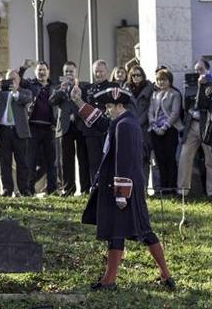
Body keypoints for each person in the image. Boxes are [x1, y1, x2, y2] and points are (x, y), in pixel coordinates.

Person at [72, 82, 174, 291]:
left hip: (123, 189)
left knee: (143, 231)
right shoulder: (120, 122)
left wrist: (121, 194)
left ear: (119, 106)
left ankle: (164, 274)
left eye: (109, 107)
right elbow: (99, 123)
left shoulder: (124, 125)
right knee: (118, 232)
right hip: (121, 188)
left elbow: (125, 161)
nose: (106, 111)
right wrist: (78, 101)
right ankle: (110, 280)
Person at [0, 69, 32, 196]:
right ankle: (7, 189)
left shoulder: (24, 92)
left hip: (19, 132)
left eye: (13, 79)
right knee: (5, 162)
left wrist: (15, 93)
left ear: (18, 80)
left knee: (22, 162)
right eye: (8, 79)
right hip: (3, 131)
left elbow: (27, 100)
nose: (11, 82)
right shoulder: (0, 93)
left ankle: (24, 189)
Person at [49, 61, 90, 196]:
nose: (69, 74)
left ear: (76, 72)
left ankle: (85, 188)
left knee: (83, 158)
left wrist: (79, 91)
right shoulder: (59, 89)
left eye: (71, 72)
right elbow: (52, 101)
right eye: (66, 72)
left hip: (80, 126)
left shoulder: (83, 86)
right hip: (65, 127)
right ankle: (69, 188)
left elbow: (87, 102)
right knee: (66, 160)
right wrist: (61, 89)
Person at [21, 61, 57, 195]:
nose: (41, 72)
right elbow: (18, 81)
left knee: (51, 162)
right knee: (30, 161)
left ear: (48, 71)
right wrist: (24, 68)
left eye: (43, 70)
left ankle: (52, 189)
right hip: (32, 128)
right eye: (39, 70)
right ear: (35, 72)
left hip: (49, 128)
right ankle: (29, 189)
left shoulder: (54, 87)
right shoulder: (30, 85)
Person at [177, 59, 212, 197]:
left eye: (201, 69)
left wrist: (203, 86)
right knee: (184, 157)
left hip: (207, 126)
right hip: (192, 124)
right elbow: (187, 106)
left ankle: (210, 192)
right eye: (196, 70)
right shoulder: (191, 85)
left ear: (208, 70)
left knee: (210, 160)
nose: (198, 73)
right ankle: (182, 191)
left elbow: (204, 104)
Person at [80, 59, 112, 193]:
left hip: (107, 129)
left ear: (106, 71)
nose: (99, 74)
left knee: (108, 161)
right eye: (96, 72)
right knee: (93, 162)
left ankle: (108, 188)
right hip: (91, 131)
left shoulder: (113, 87)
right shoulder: (88, 89)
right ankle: (96, 188)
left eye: (101, 71)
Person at [148, 68, 182, 194]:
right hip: (155, 130)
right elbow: (150, 111)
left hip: (170, 129)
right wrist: (154, 126)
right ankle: (163, 188)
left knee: (170, 159)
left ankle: (172, 188)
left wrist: (165, 127)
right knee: (159, 159)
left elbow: (175, 113)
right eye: (158, 80)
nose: (161, 82)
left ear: (169, 80)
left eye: (164, 80)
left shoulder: (175, 94)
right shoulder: (154, 94)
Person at [124, 66, 154, 189]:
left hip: (144, 128)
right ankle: (133, 188)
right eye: (133, 75)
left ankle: (144, 187)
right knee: (130, 159)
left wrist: (139, 121)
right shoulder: (125, 89)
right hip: (130, 127)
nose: (136, 78)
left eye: (138, 75)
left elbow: (151, 108)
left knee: (144, 159)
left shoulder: (149, 89)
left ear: (143, 76)